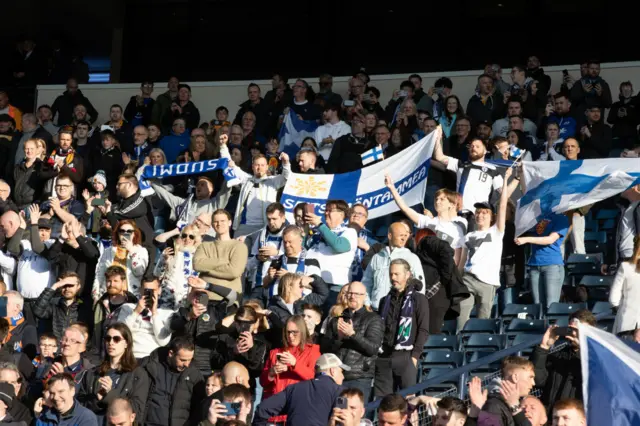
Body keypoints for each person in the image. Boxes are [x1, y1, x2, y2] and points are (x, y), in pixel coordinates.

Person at [253, 353, 347, 426]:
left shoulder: (294, 388)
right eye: (342, 372)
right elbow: (343, 418)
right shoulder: (343, 392)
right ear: (332, 371)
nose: (343, 377)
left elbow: (262, 409)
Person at [478, 356, 536, 426]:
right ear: (515, 377)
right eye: (530, 377)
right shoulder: (493, 405)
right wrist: (515, 408)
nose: (533, 383)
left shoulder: (516, 404)